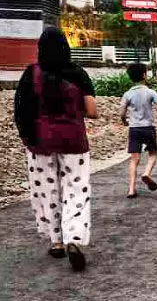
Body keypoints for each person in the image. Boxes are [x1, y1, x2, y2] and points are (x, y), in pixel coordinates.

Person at [13, 27, 98, 272]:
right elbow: (92, 111)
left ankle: (57, 241)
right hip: (74, 140)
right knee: (76, 189)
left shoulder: (31, 73)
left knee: (47, 191)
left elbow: (21, 110)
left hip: (40, 141)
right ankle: (74, 237)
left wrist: (28, 137)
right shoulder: (78, 73)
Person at [120, 63, 157, 199]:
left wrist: (125, 122)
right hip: (148, 127)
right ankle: (147, 173)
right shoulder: (150, 92)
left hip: (134, 128)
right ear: (144, 75)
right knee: (153, 153)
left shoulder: (128, 94)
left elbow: (122, 113)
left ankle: (131, 189)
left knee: (134, 159)